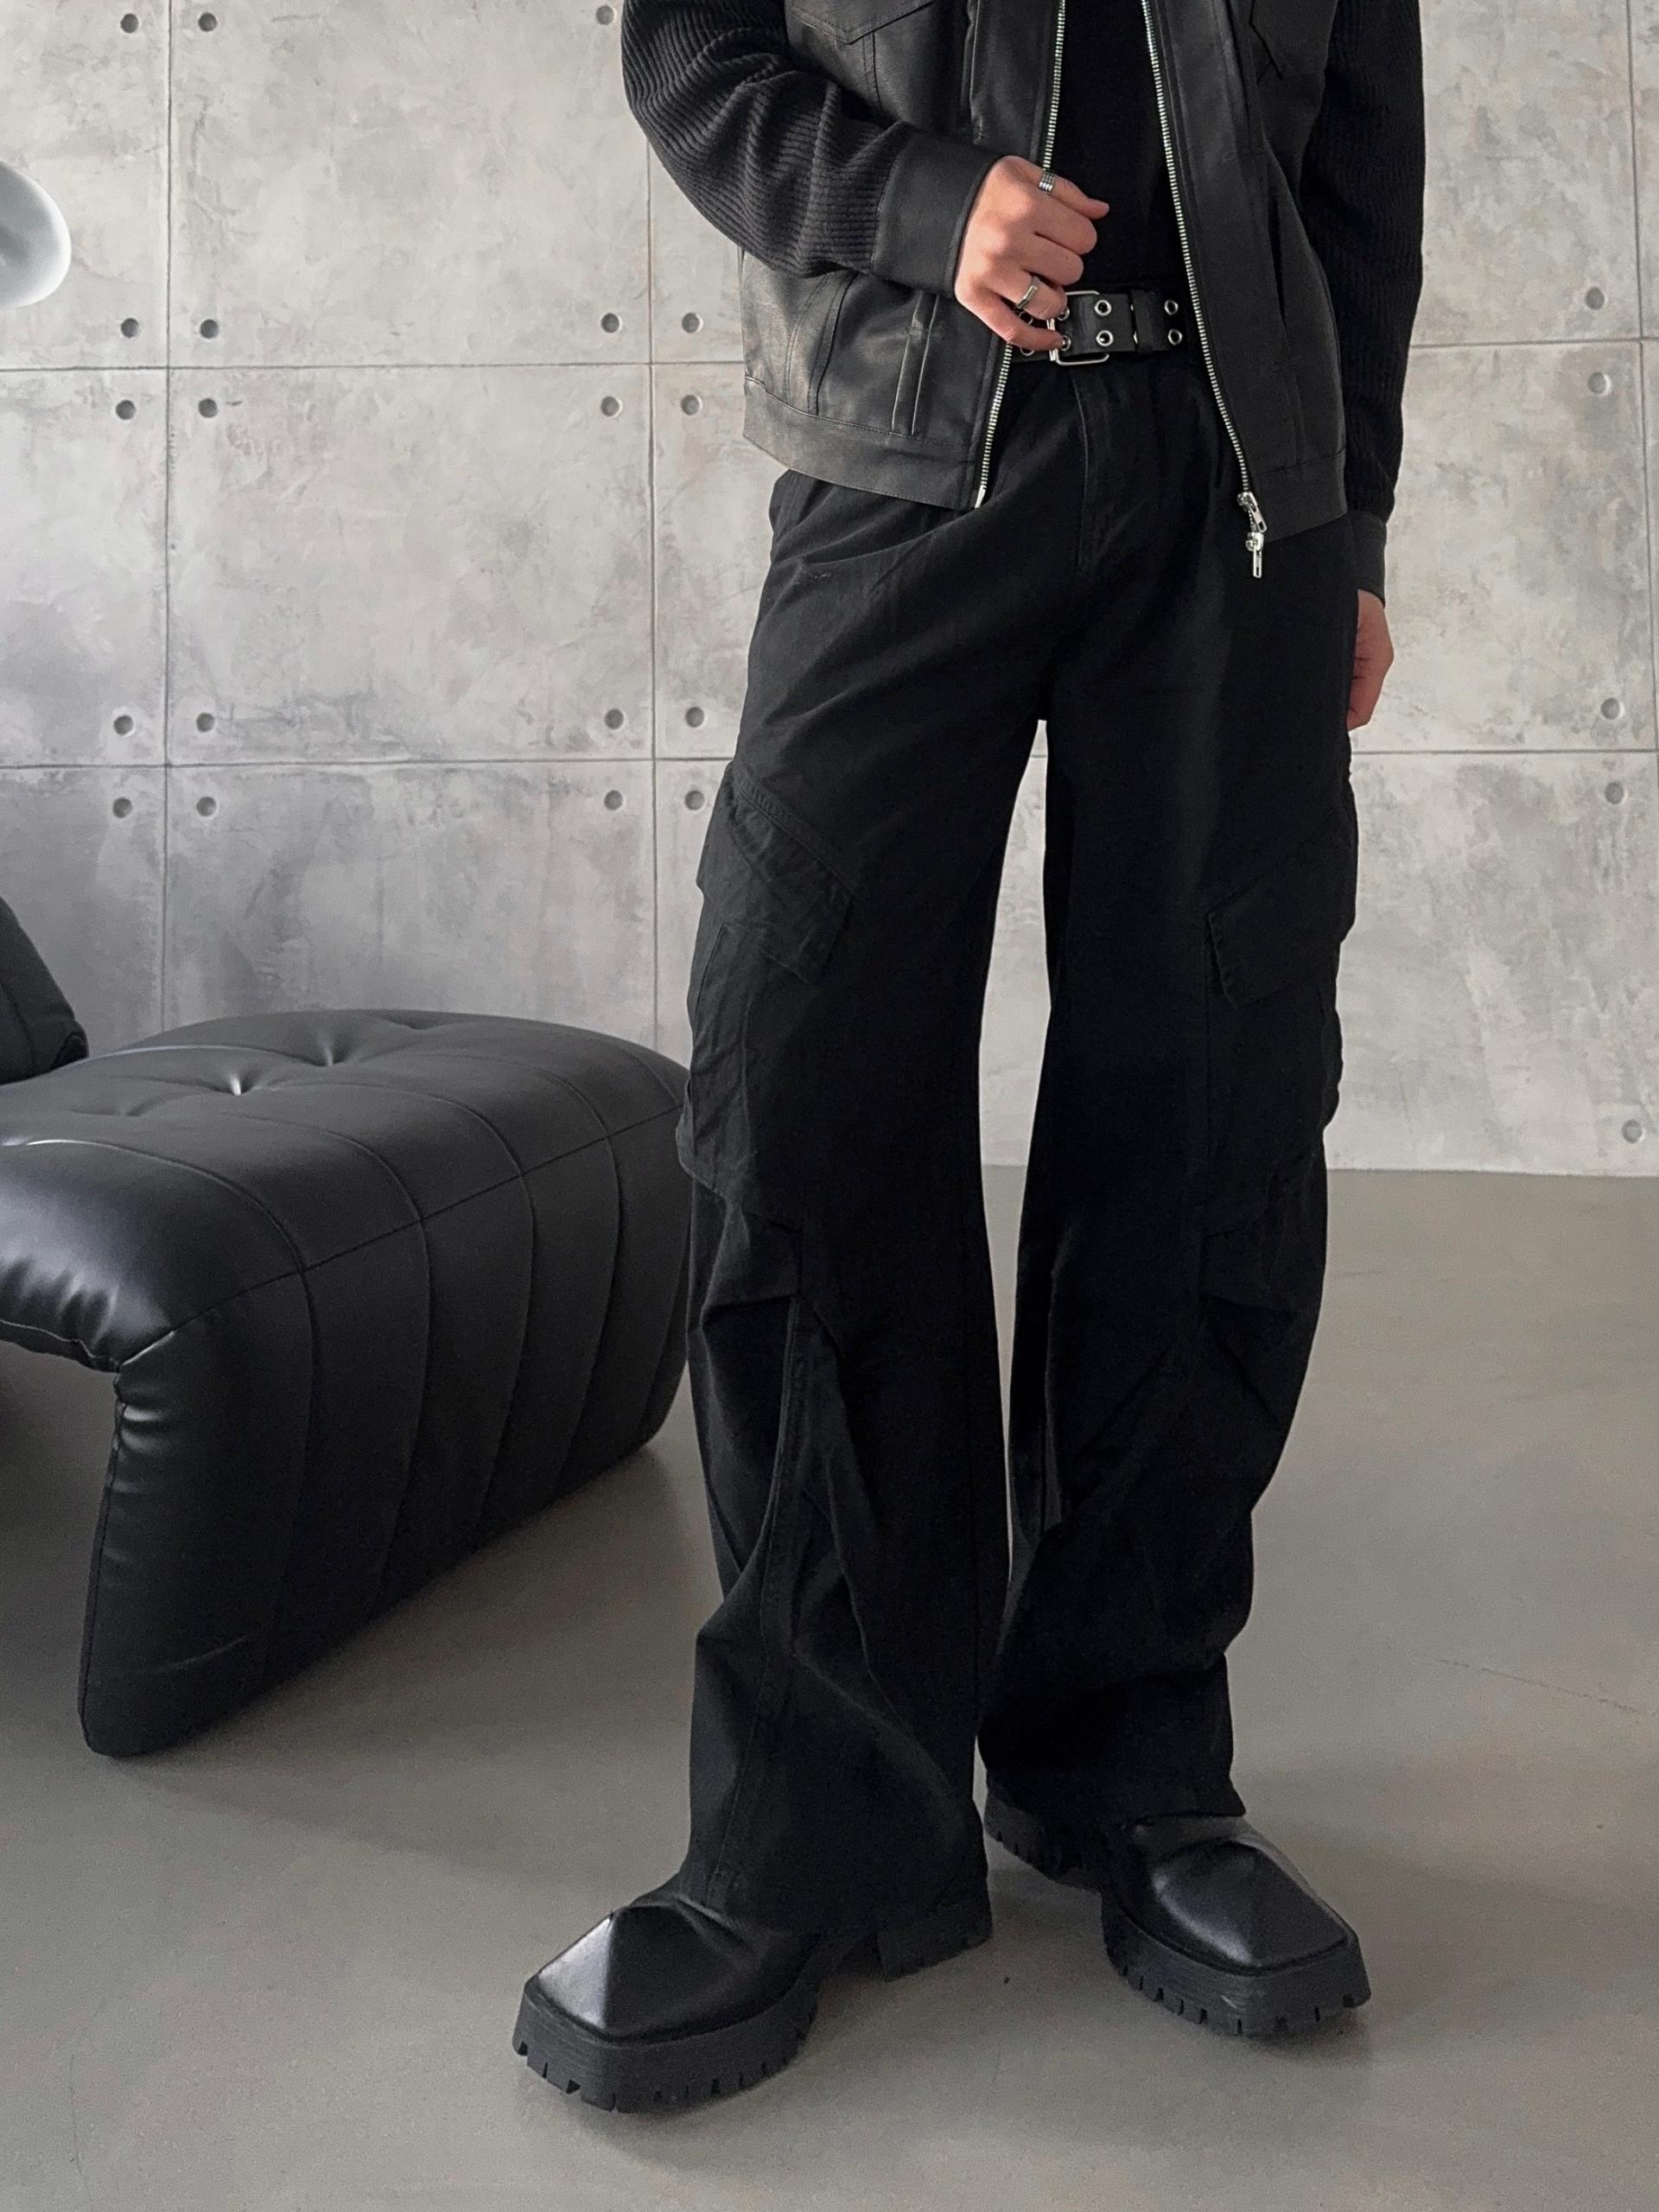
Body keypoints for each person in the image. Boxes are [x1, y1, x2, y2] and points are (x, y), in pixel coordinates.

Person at [514, 0, 1425, 2112]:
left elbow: (1361, 169)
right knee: (799, 1088)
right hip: (906, 453)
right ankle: (815, 1822)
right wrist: (926, 207)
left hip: (1238, 502)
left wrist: (1353, 520)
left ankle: (1135, 1770)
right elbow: (691, 48)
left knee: (1207, 1114)